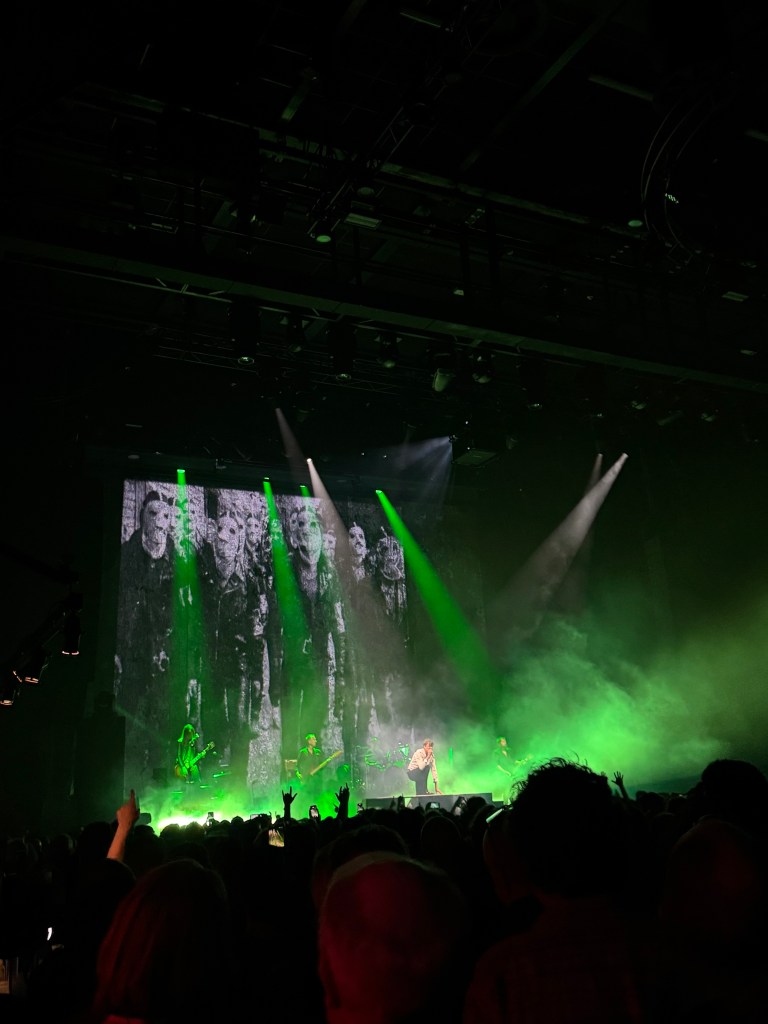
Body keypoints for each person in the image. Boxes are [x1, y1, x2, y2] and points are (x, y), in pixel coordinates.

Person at [115, 487, 177, 785]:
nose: (159, 522)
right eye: (153, 514)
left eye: (165, 516)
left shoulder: (175, 559)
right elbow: (122, 604)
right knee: (127, 711)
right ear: (143, 517)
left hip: (163, 652)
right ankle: (123, 775)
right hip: (133, 651)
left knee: (162, 715)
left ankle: (160, 777)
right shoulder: (128, 554)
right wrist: (117, 648)